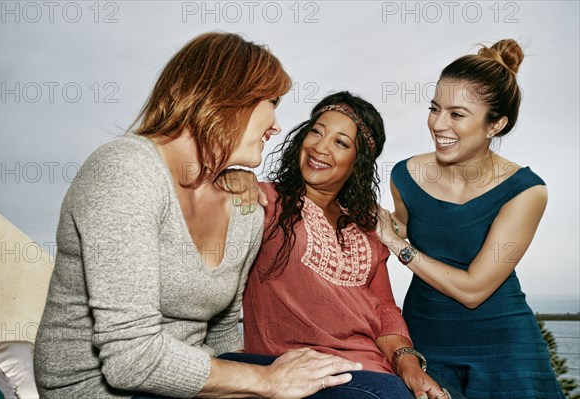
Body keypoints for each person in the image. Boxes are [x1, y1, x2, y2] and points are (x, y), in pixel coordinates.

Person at [33, 32, 364, 399]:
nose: (277, 125)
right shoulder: (125, 171)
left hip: (192, 377)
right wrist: (267, 382)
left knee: (378, 391)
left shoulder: (243, 205)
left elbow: (222, 333)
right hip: (105, 389)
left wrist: (266, 379)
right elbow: (130, 358)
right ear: (227, 98)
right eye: (271, 102)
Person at [225, 91, 453, 399]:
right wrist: (231, 175)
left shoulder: (366, 227)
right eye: (317, 131)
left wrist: (409, 365)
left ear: (356, 164)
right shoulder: (266, 201)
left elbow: (385, 310)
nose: (320, 146)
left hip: (374, 371)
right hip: (301, 372)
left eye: (340, 142)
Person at [375, 39, 566, 398]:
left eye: (457, 114)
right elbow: (400, 226)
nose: (438, 124)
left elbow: (474, 289)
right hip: (426, 339)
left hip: (505, 346)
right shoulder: (405, 175)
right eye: (435, 108)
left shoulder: (525, 191)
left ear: (495, 125)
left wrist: (399, 246)